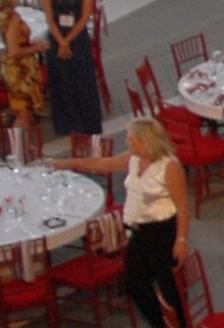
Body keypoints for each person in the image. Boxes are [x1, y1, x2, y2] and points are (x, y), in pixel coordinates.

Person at [48, 117, 191, 328]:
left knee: (167, 287)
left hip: (162, 232)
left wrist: (181, 240)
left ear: (146, 141)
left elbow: (182, 207)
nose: (128, 142)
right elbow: (104, 163)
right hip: (138, 232)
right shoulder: (133, 158)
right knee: (134, 283)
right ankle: (159, 323)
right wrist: (67, 163)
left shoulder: (169, 166)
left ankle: (178, 324)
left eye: (132, 139)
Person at [41, 0, 101, 136]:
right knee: (61, 81)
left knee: (81, 79)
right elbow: (49, 18)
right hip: (57, 37)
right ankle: (67, 123)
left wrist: (68, 40)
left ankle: (88, 122)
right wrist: (61, 41)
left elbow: (85, 17)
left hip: (77, 38)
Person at [1, 0, 47, 123]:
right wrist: (35, 48)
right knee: (23, 111)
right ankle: (18, 143)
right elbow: (14, 51)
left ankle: (21, 141)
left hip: (10, 67)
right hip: (21, 70)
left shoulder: (3, 15)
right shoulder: (13, 18)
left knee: (21, 109)